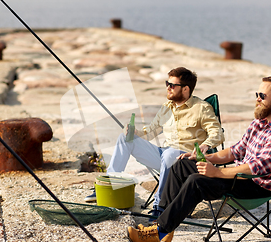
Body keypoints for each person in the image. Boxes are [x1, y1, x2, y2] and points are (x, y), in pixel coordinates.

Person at [127, 76, 271, 242]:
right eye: (257, 94)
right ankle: (162, 225)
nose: (257, 99)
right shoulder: (259, 123)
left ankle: (156, 234)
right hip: (239, 176)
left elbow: (257, 168)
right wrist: (206, 158)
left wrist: (217, 173)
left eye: (262, 95)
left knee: (197, 182)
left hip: (257, 185)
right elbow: (235, 151)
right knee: (181, 165)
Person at [86, 67, 224, 219]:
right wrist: (135, 132)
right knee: (125, 139)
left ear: (185, 89)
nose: (168, 88)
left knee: (170, 154)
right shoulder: (166, 108)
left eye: (172, 85)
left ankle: (160, 206)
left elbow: (217, 133)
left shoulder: (201, 108)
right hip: (164, 155)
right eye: (167, 83)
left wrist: (206, 145)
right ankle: (109, 185)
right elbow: (151, 131)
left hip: (186, 160)